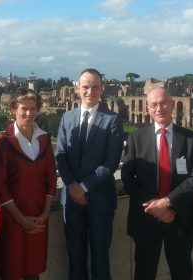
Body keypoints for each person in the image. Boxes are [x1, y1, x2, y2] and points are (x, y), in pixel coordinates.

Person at [121, 87, 193, 280]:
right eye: (154, 104)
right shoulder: (136, 138)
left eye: (164, 103)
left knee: (182, 270)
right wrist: (155, 206)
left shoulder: (191, 139)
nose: (159, 108)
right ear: (149, 109)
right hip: (146, 216)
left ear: (173, 105)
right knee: (144, 271)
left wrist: (166, 203)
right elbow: (127, 177)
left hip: (179, 216)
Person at [55, 68, 123, 280]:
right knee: (75, 261)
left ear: (102, 89)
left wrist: (82, 187)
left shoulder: (112, 120)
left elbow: (111, 162)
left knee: (100, 261)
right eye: (85, 86)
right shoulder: (67, 117)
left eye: (95, 86)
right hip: (73, 203)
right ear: (77, 89)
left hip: (100, 201)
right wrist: (72, 185)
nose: (90, 91)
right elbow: (61, 155)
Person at [0, 90, 57, 280]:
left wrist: (44, 214)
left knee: (33, 272)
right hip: (12, 219)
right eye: (24, 109)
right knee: (11, 272)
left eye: (33, 109)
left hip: (38, 219)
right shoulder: (3, 143)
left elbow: (51, 178)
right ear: (13, 109)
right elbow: (0, 187)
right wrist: (22, 220)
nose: (29, 113)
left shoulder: (44, 140)